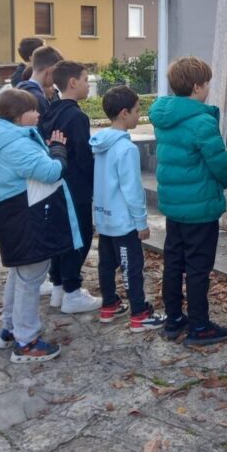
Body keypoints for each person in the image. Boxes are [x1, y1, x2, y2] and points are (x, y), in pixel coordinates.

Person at [0, 88, 80, 364]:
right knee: (31, 277)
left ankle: (10, 329)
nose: (39, 114)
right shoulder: (16, 144)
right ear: (17, 115)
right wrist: (59, 150)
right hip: (26, 216)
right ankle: (27, 341)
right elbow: (50, 171)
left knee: (20, 274)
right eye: (34, 110)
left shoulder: (2, 136)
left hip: (13, 214)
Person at [148, 56, 227, 346]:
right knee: (198, 268)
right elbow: (220, 164)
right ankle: (199, 325)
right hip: (200, 208)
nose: (209, 88)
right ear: (197, 87)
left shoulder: (164, 118)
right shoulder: (201, 122)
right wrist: (226, 183)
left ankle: (173, 318)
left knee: (174, 261)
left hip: (174, 205)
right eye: (207, 83)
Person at [90, 85, 167, 331]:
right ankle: (138, 313)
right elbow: (132, 189)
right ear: (124, 113)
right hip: (123, 221)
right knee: (131, 266)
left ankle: (109, 305)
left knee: (106, 263)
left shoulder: (100, 144)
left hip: (104, 217)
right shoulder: (126, 149)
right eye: (136, 110)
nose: (138, 115)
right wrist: (141, 222)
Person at [39, 60, 103, 314]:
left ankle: (59, 287)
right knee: (80, 238)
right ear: (73, 82)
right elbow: (83, 156)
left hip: (54, 186)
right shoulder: (76, 116)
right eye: (87, 80)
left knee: (61, 238)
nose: (89, 85)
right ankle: (73, 292)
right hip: (75, 188)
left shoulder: (50, 111)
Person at [16, 45, 62, 116]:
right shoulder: (38, 99)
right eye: (57, 73)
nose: (56, 79)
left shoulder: (19, 89)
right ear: (51, 70)